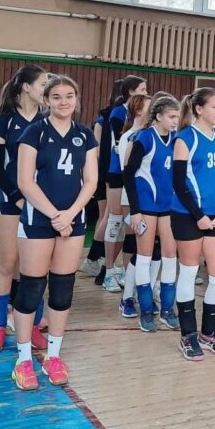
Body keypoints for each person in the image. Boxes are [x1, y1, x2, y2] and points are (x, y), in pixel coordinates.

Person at [12, 76, 98, 390]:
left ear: (76, 99)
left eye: (69, 96)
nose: (64, 102)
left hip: (73, 221)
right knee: (32, 288)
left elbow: (91, 181)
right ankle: (23, 361)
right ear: (47, 100)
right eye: (57, 96)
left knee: (62, 289)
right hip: (38, 219)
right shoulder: (34, 132)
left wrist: (70, 215)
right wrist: (54, 216)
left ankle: (53, 356)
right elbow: (25, 181)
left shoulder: (85, 135)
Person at [0, 64, 49, 355]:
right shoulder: (4, 122)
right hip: (12, 202)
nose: (46, 89)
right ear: (26, 87)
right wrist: (16, 197)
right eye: (42, 84)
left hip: (40, 204)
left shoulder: (47, 122)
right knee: (7, 264)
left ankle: (32, 326)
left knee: (33, 269)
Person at [171, 88, 215, 361]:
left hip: (214, 217)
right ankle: (188, 336)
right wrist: (198, 215)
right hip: (187, 215)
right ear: (199, 109)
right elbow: (178, 182)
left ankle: (209, 334)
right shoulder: (185, 138)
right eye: (214, 107)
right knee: (189, 271)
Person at [122, 94, 180, 332]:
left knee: (170, 257)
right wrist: (135, 212)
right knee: (144, 258)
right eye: (171, 116)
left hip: (168, 206)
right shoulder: (144, 138)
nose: (175, 121)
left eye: (177, 116)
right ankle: (146, 311)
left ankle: (167, 309)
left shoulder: (177, 140)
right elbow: (128, 174)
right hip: (146, 206)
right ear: (158, 116)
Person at [102, 76, 148, 292]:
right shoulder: (119, 114)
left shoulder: (145, 131)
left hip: (133, 179)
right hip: (117, 172)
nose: (145, 92)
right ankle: (108, 271)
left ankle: (124, 270)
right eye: (142, 89)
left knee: (129, 227)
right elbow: (117, 145)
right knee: (115, 220)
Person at [116, 93, 153, 320]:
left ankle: (144, 293)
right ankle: (127, 297)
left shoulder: (156, 135)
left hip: (153, 202)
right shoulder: (130, 137)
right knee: (136, 249)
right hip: (133, 200)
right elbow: (128, 171)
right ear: (139, 110)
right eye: (150, 107)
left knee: (152, 252)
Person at [81, 79, 121, 279]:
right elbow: (96, 151)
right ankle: (92, 259)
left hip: (110, 173)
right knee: (106, 215)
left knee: (109, 216)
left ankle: (102, 258)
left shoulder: (125, 117)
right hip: (103, 173)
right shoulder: (103, 119)